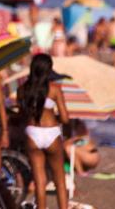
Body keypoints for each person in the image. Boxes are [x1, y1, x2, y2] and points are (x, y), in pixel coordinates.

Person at [19, 53, 70, 209]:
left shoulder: (23, 89)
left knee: (39, 182)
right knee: (59, 180)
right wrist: (55, 118)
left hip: (32, 133)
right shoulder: (54, 89)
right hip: (51, 132)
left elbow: (23, 115)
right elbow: (65, 118)